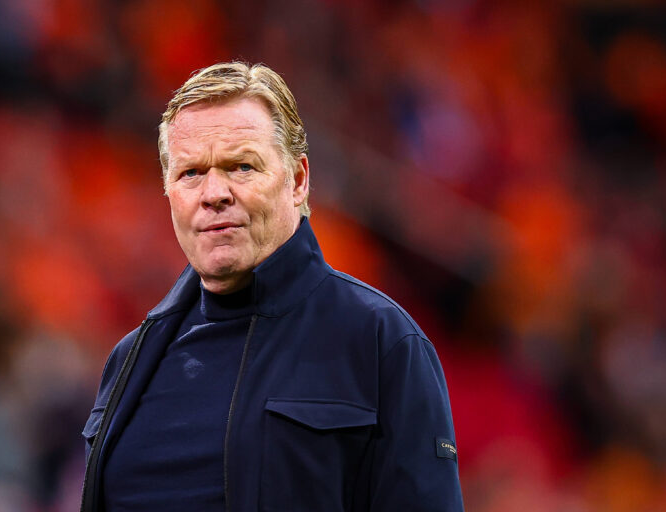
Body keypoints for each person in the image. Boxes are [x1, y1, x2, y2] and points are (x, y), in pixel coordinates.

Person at [80, 61, 463, 512]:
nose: (214, 192)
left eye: (241, 166)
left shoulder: (381, 341)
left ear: (298, 180)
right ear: (168, 191)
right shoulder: (130, 358)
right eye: (190, 173)